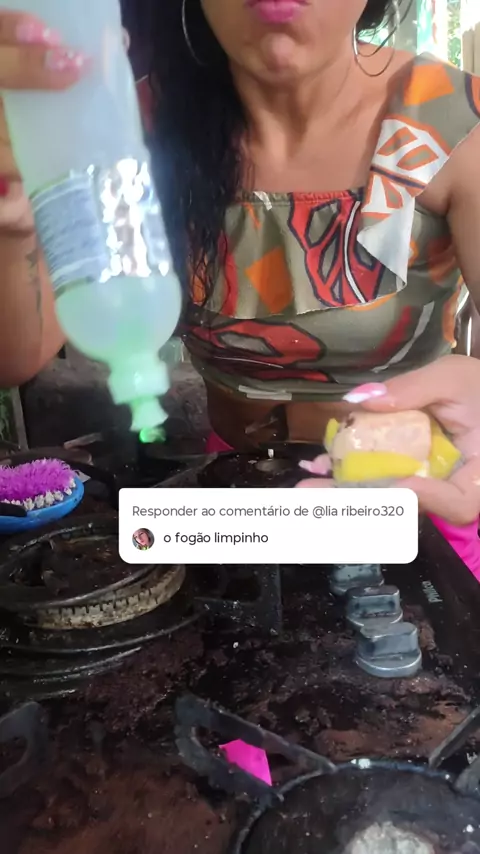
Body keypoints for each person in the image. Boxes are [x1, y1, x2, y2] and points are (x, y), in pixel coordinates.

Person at [0, 3, 478, 559]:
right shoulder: (128, 127)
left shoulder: (454, 123)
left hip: (417, 501)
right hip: (235, 493)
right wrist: (12, 222)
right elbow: (18, 357)